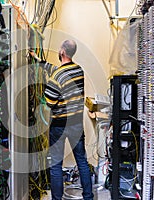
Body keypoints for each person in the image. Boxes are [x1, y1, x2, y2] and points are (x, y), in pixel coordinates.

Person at [44, 40, 94, 200]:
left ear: (62, 52)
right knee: (82, 162)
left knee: (56, 165)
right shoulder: (78, 70)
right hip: (76, 124)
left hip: (59, 125)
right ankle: (88, 197)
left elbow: (49, 102)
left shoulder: (57, 76)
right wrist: (41, 63)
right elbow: (62, 75)